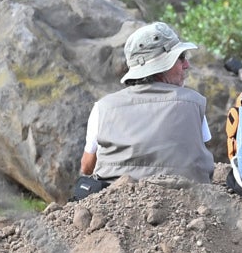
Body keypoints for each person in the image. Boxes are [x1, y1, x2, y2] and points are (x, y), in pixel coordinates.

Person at [78, 21, 214, 192]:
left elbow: (86, 167)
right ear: (163, 65)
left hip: (117, 207)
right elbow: (197, 157)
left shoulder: (103, 108)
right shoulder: (193, 103)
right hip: (189, 204)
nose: (186, 64)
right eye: (181, 57)